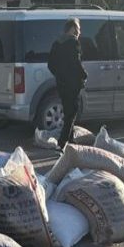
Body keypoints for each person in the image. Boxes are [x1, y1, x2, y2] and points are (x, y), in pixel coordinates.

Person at [46, 18, 88, 150]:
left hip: (62, 84)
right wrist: (84, 75)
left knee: (68, 110)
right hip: (73, 84)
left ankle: (70, 139)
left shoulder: (57, 43)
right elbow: (76, 63)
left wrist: (59, 75)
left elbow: (50, 64)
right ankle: (63, 142)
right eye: (78, 29)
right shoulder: (73, 43)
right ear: (72, 29)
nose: (79, 32)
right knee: (72, 113)